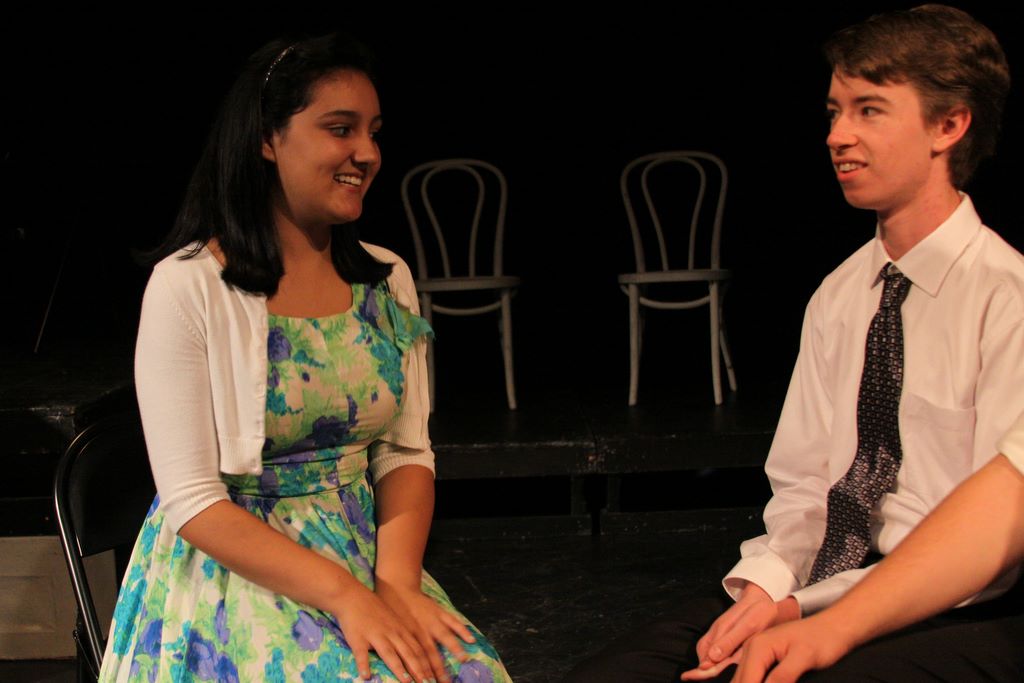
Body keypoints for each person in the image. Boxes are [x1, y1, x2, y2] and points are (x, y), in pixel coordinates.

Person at [564, 5, 1024, 682]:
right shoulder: (841, 294)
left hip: (952, 605)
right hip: (824, 582)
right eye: (834, 112)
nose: (838, 135)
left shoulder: (1006, 296)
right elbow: (809, 480)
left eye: (869, 110)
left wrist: (818, 617)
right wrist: (768, 589)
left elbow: (997, 526)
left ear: (949, 125)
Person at [100, 34, 511, 683]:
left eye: (373, 132)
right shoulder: (190, 285)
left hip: (361, 554)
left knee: (469, 672)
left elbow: (406, 452)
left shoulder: (386, 280)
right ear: (268, 138)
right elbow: (193, 500)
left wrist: (398, 586)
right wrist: (346, 596)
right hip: (236, 571)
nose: (367, 153)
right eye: (340, 129)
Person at [733, 416, 1024, 682]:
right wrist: (765, 587)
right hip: (844, 569)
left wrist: (825, 620)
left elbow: (998, 512)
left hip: (963, 592)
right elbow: (805, 477)